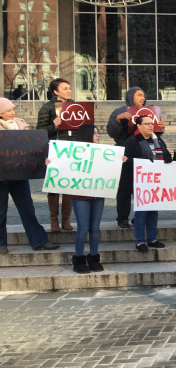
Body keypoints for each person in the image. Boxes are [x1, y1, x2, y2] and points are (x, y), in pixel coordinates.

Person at [0, 98, 59, 253]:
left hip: (20, 173)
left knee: (27, 208)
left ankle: (39, 240)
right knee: (1, 211)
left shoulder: (21, 124)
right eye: (8, 110)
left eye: (13, 109)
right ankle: (1, 244)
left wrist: (42, 157)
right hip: (1, 176)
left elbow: (32, 146)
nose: (13, 112)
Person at [66, 124, 126, 273]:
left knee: (94, 228)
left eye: (98, 132)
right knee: (83, 228)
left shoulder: (103, 152)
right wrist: (51, 162)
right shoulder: (74, 153)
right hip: (80, 195)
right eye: (94, 133)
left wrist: (119, 161)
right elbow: (63, 166)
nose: (98, 135)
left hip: (98, 193)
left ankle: (93, 257)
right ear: (86, 135)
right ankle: (79, 259)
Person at [107, 86, 165, 228]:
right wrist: (118, 120)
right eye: (139, 95)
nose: (142, 98)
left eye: (143, 95)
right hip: (125, 153)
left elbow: (153, 134)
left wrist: (160, 128)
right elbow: (111, 132)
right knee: (125, 188)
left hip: (144, 153)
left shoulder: (149, 113)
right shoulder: (120, 111)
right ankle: (122, 218)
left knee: (143, 187)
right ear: (131, 96)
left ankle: (139, 217)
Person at [124, 115, 171, 252]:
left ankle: (152, 238)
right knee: (141, 212)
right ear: (138, 126)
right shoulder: (132, 141)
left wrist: (168, 158)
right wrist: (144, 164)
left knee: (153, 212)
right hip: (141, 182)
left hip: (156, 182)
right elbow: (127, 160)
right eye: (147, 124)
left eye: (152, 123)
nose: (151, 126)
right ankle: (139, 241)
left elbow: (166, 156)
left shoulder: (158, 140)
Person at [36, 77, 76, 232]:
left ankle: (66, 220)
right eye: (65, 88)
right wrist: (54, 125)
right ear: (55, 91)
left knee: (69, 186)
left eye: (69, 88)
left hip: (73, 149)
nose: (69, 90)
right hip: (54, 150)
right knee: (54, 186)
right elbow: (40, 132)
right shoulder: (47, 108)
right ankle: (54, 221)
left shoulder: (75, 106)